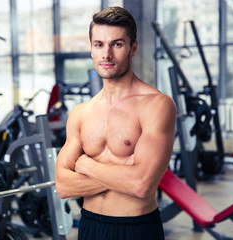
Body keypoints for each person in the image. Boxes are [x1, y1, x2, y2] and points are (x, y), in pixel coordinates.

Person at [55, 6, 176, 240]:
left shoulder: (157, 105)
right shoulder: (81, 113)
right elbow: (63, 186)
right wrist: (125, 176)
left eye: (117, 44)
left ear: (133, 48)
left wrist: (86, 165)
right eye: (99, 44)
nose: (106, 54)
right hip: (90, 226)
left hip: (136, 228)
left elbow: (142, 185)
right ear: (91, 49)